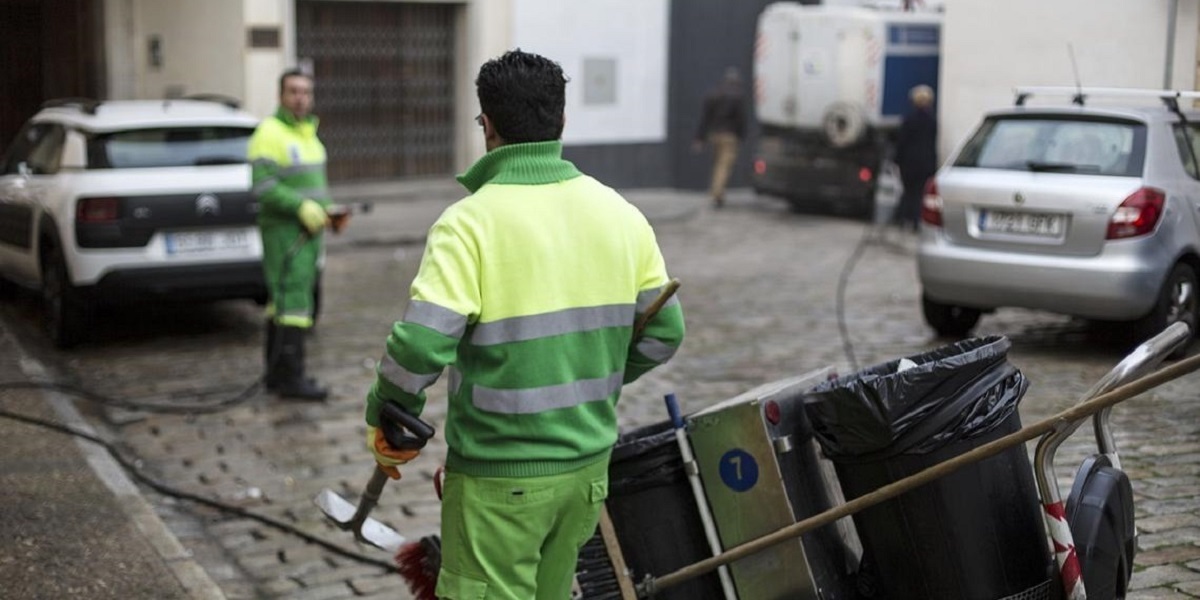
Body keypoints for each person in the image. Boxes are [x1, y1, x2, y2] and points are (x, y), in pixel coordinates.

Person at [364, 49, 686, 599]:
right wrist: (589, 377)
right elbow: (665, 333)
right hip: (586, 476)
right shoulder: (621, 215)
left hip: (498, 481)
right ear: (561, 120)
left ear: (487, 126)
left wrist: (387, 411)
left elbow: (419, 346)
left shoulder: (468, 225)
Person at [248, 69, 348, 401]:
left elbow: (315, 187)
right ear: (281, 95)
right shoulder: (269, 133)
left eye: (305, 92)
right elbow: (263, 185)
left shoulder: (310, 136)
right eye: (293, 91)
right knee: (292, 303)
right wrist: (300, 207)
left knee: (286, 302)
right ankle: (292, 378)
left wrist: (329, 211)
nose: (300, 98)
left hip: (310, 234)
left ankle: (276, 375)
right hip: (284, 233)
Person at [693, 66, 748, 208]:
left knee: (717, 164)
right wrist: (741, 136)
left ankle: (716, 192)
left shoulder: (714, 95)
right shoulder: (737, 97)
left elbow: (705, 119)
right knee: (724, 166)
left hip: (714, 135)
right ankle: (717, 193)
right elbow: (741, 120)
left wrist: (700, 138)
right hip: (729, 137)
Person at [890, 84, 938, 232]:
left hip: (909, 162)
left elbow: (902, 142)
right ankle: (917, 220)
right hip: (926, 162)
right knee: (921, 192)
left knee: (908, 190)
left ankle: (904, 218)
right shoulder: (932, 120)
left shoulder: (909, 120)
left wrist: (896, 160)